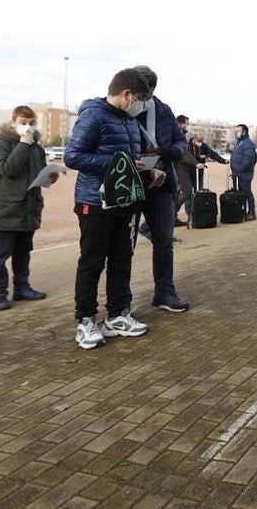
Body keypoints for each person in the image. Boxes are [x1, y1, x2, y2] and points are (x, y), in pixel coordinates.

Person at [65, 68, 165, 350]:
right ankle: (86, 320)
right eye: (141, 100)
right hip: (95, 201)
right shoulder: (93, 116)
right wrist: (117, 163)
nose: (142, 106)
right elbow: (73, 156)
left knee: (122, 259)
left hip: (126, 201)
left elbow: (131, 159)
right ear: (127, 94)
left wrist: (148, 171)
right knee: (92, 262)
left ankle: (117, 315)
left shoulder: (130, 121)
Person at [131, 66, 190, 313]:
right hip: (131, 185)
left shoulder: (163, 110)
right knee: (125, 246)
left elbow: (181, 142)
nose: (141, 99)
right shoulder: (121, 108)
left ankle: (165, 292)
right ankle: (121, 302)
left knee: (164, 242)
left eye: (146, 94)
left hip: (162, 184)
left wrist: (167, 153)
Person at [0, 105, 54, 310]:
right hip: (5, 209)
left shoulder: (37, 148)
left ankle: (22, 288)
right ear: (13, 123)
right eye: (23, 123)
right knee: (0, 255)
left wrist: (50, 176)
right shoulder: (1, 145)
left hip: (28, 208)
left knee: (23, 252)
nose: (28, 126)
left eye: (31, 123)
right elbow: (9, 169)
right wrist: (23, 145)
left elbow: (37, 174)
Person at [229, 123, 257, 221]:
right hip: (237, 174)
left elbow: (249, 159)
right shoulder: (239, 143)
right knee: (240, 193)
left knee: (247, 193)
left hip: (244, 174)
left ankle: (251, 212)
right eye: (236, 131)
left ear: (244, 132)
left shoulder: (248, 143)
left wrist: (240, 169)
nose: (236, 133)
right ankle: (242, 211)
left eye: (238, 131)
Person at [173, 115, 197, 226]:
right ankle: (171, 213)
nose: (187, 126)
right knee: (187, 191)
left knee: (176, 193)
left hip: (177, 167)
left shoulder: (179, 134)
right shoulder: (178, 134)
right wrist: (196, 163)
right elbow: (184, 153)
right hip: (179, 167)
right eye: (186, 123)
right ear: (181, 123)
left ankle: (173, 218)